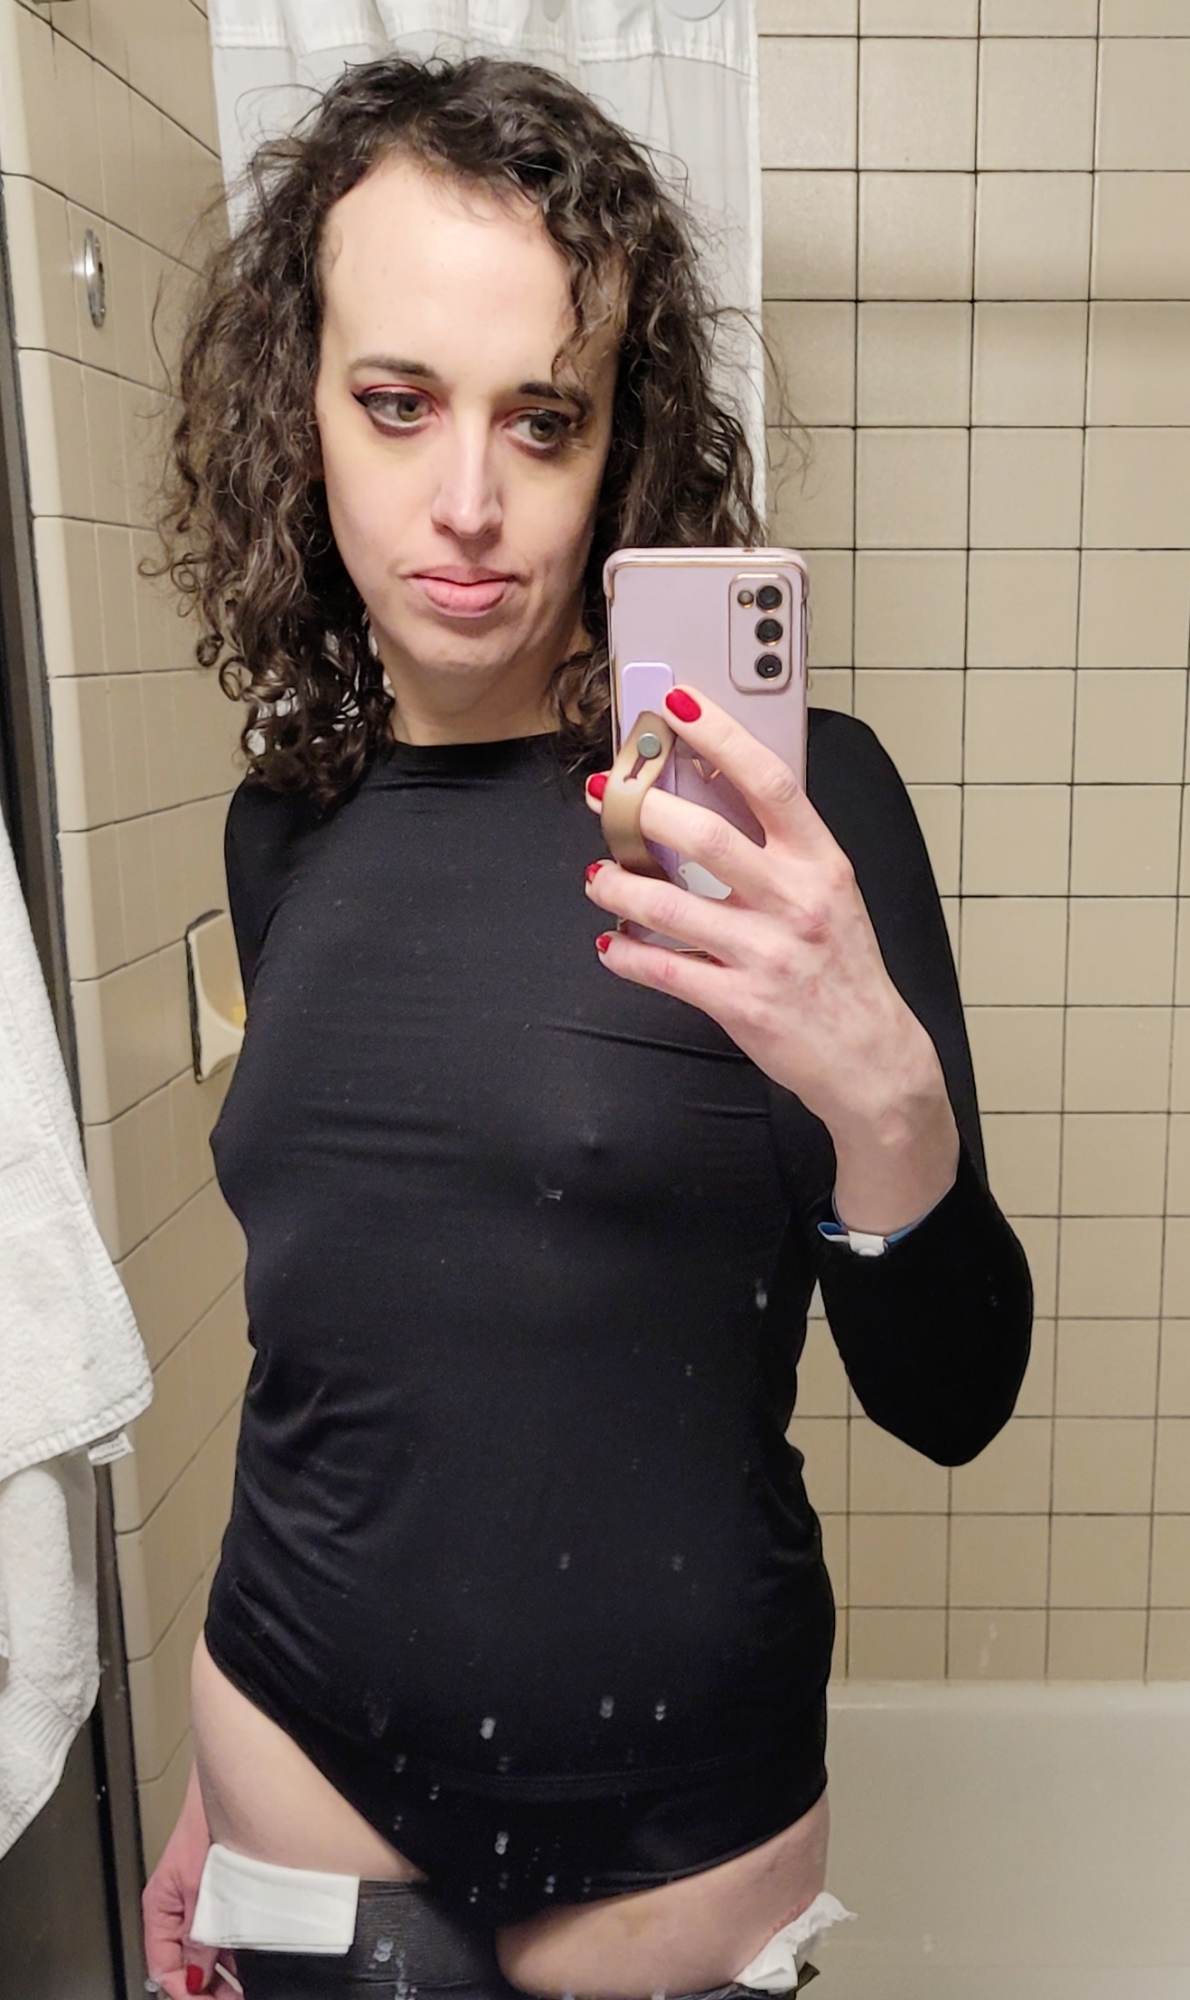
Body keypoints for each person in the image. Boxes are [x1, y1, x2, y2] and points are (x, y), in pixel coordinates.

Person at [141, 54, 1033, 2000]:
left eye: (540, 418)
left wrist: (884, 1103)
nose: (466, 504)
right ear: (301, 413)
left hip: (672, 1839)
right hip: (295, 1763)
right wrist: (211, 1781)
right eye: (396, 404)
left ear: (619, 442)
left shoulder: (794, 814)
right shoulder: (285, 823)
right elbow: (336, 1343)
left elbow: (952, 1397)